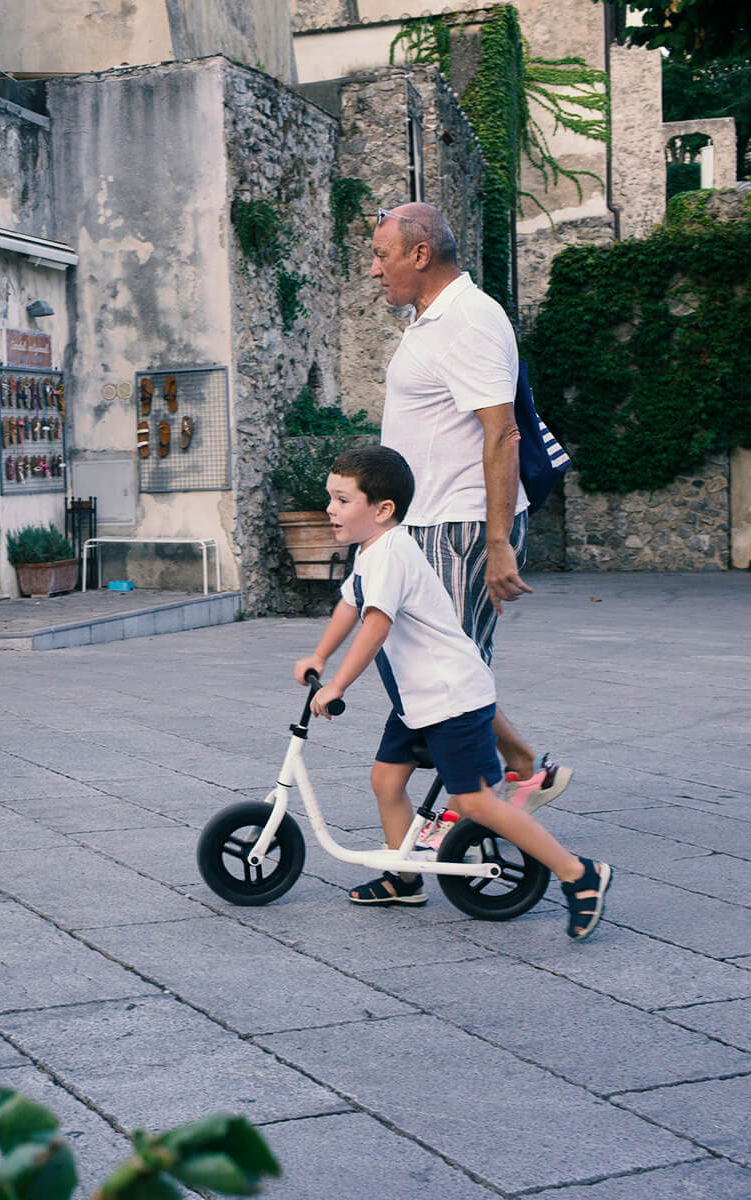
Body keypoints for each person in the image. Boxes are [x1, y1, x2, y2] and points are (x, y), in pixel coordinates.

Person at [294, 445, 612, 939]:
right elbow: (349, 606)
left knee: (477, 802)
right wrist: (319, 654)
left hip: (452, 698)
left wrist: (336, 683)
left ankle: (578, 873)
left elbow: (376, 624)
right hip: (418, 700)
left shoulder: (393, 553)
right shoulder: (371, 552)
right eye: (329, 498)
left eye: (341, 499)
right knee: (385, 780)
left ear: (382, 510)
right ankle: (404, 878)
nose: (330, 509)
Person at [369, 201, 569, 814]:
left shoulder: (469, 320)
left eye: (382, 255)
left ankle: (470, 809)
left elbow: (501, 434)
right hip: (423, 523)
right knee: (423, 661)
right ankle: (517, 765)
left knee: (449, 677)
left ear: (420, 255)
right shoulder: (432, 318)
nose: (374, 270)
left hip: (461, 526)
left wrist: (499, 541)